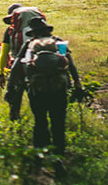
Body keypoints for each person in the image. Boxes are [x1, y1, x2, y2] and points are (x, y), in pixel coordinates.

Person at [22, 17, 82, 157]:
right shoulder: (58, 41)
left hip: (37, 90)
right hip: (59, 88)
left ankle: (39, 156)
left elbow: (19, 65)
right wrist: (77, 82)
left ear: (33, 32)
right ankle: (59, 157)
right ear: (47, 29)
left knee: (40, 121)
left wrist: (13, 86)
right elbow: (70, 64)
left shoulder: (30, 44)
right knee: (58, 124)